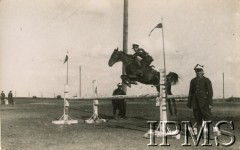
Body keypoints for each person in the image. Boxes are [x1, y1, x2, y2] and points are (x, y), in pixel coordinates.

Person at [187, 64, 213, 133]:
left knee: (207, 117)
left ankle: (209, 133)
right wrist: (190, 103)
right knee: (197, 117)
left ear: (202, 72)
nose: (198, 73)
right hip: (195, 102)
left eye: (199, 71)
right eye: (197, 71)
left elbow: (210, 92)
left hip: (204, 102)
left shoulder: (206, 80)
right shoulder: (193, 81)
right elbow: (190, 92)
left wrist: (210, 103)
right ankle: (199, 132)